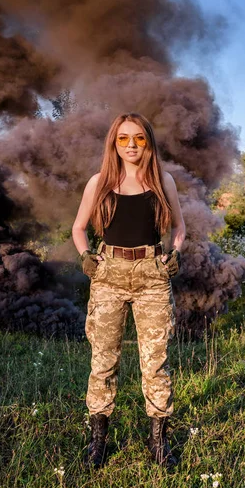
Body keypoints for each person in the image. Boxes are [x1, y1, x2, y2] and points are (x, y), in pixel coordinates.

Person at [72, 113, 186, 469]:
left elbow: (179, 227)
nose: (132, 145)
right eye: (124, 138)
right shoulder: (100, 181)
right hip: (108, 273)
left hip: (152, 274)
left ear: (149, 142)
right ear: (114, 143)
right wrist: (85, 257)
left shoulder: (162, 180)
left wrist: (176, 253)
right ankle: (98, 441)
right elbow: (78, 228)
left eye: (139, 138)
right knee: (103, 361)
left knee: (155, 362)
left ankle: (158, 441)